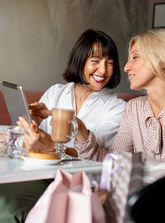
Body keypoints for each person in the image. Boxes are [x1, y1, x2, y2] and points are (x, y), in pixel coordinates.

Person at [0, 29, 126, 223]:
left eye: (109, 63)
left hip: (77, 180)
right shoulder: (56, 93)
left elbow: (95, 156)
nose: (103, 70)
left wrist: (50, 147)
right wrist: (33, 125)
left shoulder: (117, 108)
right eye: (95, 61)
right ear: (80, 60)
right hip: (37, 172)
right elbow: (33, 139)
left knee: (9, 210)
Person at [74, 29, 165, 165]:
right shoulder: (134, 108)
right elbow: (115, 162)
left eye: (135, 57)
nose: (126, 68)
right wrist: (81, 131)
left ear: (161, 60)